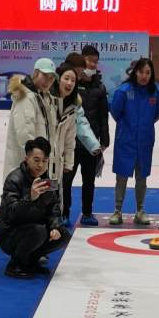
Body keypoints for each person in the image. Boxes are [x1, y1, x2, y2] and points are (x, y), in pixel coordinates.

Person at [0, 136, 70, 279]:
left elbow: (53, 208)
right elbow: (10, 214)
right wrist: (31, 198)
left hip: (33, 229)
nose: (40, 165)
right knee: (38, 231)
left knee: (63, 234)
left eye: (44, 161)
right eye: (36, 160)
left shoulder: (47, 181)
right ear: (26, 159)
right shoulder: (14, 179)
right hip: (9, 233)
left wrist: (55, 227)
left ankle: (30, 261)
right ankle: (15, 264)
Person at [108, 58, 159, 227]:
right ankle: (117, 211)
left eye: (148, 72)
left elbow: (156, 115)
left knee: (142, 177)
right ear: (135, 72)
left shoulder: (156, 92)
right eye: (141, 72)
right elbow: (115, 113)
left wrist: (143, 128)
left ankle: (140, 211)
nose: (144, 76)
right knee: (122, 176)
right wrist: (128, 128)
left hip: (145, 140)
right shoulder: (123, 91)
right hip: (126, 139)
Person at [68, 45, 110, 227]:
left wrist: (104, 140)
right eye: (88, 60)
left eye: (95, 61)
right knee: (66, 180)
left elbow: (103, 116)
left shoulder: (100, 87)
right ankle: (63, 213)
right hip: (70, 142)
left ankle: (87, 212)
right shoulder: (70, 84)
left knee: (89, 180)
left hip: (91, 143)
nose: (92, 64)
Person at [58, 54, 100, 226]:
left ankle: (82, 212)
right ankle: (61, 213)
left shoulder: (75, 98)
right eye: (70, 77)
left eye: (74, 78)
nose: (72, 81)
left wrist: (94, 145)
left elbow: (81, 121)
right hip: (50, 150)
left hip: (74, 146)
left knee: (85, 180)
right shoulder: (48, 94)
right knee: (60, 183)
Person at [2, 58, 58, 180]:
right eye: (45, 76)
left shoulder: (42, 96)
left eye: (51, 78)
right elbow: (25, 136)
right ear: (36, 73)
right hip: (26, 168)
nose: (48, 81)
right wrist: (35, 163)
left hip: (36, 165)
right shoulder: (26, 97)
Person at [51, 61, 79, 226]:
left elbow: (70, 138)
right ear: (58, 79)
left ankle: (54, 226)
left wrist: (69, 162)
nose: (69, 83)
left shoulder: (73, 107)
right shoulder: (47, 101)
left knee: (56, 194)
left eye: (73, 80)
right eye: (66, 78)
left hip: (58, 161)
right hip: (43, 159)